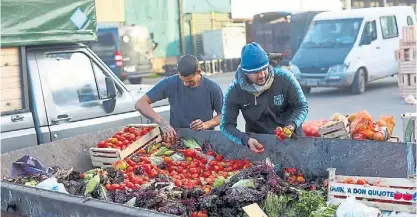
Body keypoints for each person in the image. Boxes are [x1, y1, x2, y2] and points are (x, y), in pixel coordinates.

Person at [220, 42, 308, 153]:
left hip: (292, 140)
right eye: (256, 72)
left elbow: (302, 106)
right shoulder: (235, 89)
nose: (262, 75)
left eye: (264, 69)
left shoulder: (285, 77)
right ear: (245, 72)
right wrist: (245, 140)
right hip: (260, 144)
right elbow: (226, 125)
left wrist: (292, 124)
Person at [135, 55, 223, 143]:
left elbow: (224, 115)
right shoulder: (170, 83)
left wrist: (205, 124)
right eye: (182, 80)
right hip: (178, 140)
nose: (185, 84)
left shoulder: (212, 88)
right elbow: (140, 103)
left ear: (198, 71)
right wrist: (163, 123)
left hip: (205, 140)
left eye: (190, 81)